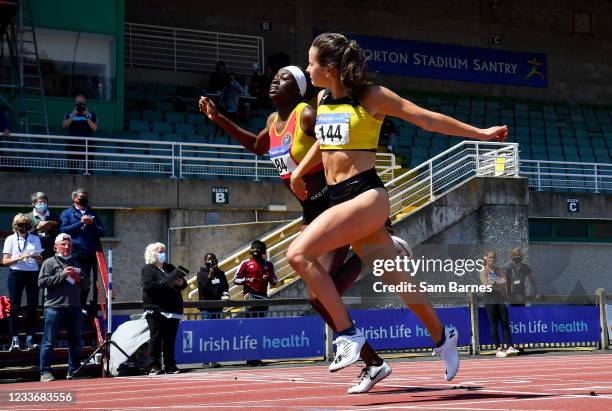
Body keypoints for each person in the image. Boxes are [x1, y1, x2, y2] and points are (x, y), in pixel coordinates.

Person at [287, 32, 508, 382]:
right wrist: (300, 170)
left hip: (365, 196)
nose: (307, 68)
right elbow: (325, 143)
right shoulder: (323, 96)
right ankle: (443, 337)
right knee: (401, 282)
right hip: (339, 197)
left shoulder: (371, 96)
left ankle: (347, 334)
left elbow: (427, 119)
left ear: (329, 67)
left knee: (298, 254)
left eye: (312, 62)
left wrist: (480, 133)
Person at [200, 65, 399, 393]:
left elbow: (338, 146)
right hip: (311, 214)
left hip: (335, 208)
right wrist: (218, 117)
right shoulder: (272, 123)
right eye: (275, 79)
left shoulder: (306, 114)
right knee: (320, 298)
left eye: (284, 79)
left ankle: (373, 357)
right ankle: (374, 361)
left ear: (299, 89)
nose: (275, 82)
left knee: (318, 295)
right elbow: (257, 147)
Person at [38, 233, 89, 382]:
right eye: (63, 244)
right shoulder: (49, 262)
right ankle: (45, 371)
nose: (67, 247)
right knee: (48, 341)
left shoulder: (76, 262)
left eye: (69, 245)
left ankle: (73, 371)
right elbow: (41, 282)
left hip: (74, 307)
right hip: (54, 307)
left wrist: (80, 279)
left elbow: (87, 285)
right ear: (55, 247)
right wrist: (61, 275)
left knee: (75, 341)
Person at [141, 242, 187, 375]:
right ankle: (153, 366)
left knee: (170, 338)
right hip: (156, 308)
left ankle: (170, 365)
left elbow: (183, 284)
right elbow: (149, 286)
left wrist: (181, 282)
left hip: (173, 308)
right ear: (153, 254)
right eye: (160, 252)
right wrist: (167, 282)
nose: (163, 254)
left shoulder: (169, 267)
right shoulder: (148, 269)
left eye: (164, 251)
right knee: (156, 336)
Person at [2, 214, 43, 352]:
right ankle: (15, 339)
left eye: (25, 225)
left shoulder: (35, 239)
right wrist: (19, 257)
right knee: (14, 306)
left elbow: (41, 259)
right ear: (15, 226)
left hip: (32, 273)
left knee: (33, 305)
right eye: (20, 225)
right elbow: (5, 261)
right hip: (16, 273)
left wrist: (35, 256)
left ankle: (29, 338)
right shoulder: (10, 239)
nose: (23, 227)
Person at [59, 188, 106, 309]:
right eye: (81, 196)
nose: (84, 198)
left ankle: (82, 307)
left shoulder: (92, 213)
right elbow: (63, 231)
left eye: (86, 196)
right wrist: (80, 222)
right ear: (74, 198)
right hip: (74, 254)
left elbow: (102, 232)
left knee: (86, 282)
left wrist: (92, 224)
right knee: (72, 280)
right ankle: (72, 306)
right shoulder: (67, 213)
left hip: (89, 253)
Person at [480, 251, 517, 357]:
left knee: (505, 321)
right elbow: (487, 285)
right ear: (486, 258)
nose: (492, 259)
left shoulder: (498, 270)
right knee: (494, 323)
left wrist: (497, 284)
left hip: (500, 298)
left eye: (494, 257)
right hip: (489, 298)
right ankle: (498, 349)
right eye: (490, 257)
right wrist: (497, 284)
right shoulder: (483, 271)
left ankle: (510, 346)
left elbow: (505, 282)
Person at [62, 94, 98, 173]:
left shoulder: (92, 114)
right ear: (75, 103)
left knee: (88, 171)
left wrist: (87, 116)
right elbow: (64, 125)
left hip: (87, 146)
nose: (80, 106)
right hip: (73, 145)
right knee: (72, 171)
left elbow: (95, 128)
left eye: (82, 104)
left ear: (85, 104)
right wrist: (73, 115)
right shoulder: (69, 114)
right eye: (79, 104)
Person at [27, 192, 60, 260]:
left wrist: (51, 228)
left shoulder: (53, 215)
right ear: (34, 203)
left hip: (50, 250)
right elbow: (24, 234)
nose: (43, 204)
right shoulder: (27, 217)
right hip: (34, 251)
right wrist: (37, 229)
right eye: (40, 202)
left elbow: (58, 231)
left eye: (45, 202)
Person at [197, 253, 229, 319]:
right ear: (204, 261)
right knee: (207, 327)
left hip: (218, 306)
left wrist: (224, 294)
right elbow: (203, 289)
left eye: (212, 259)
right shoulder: (201, 274)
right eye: (208, 260)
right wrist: (209, 276)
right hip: (206, 308)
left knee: (216, 327)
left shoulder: (220, 273)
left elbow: (225, 286)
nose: (211, 261)